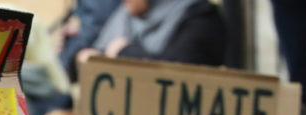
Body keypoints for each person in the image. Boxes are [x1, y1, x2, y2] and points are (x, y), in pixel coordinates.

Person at [78, 0, 227, 67]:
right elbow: (98, 49)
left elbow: (175, 74)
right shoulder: (126, 16)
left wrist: (124, 53)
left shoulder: (201, 19)